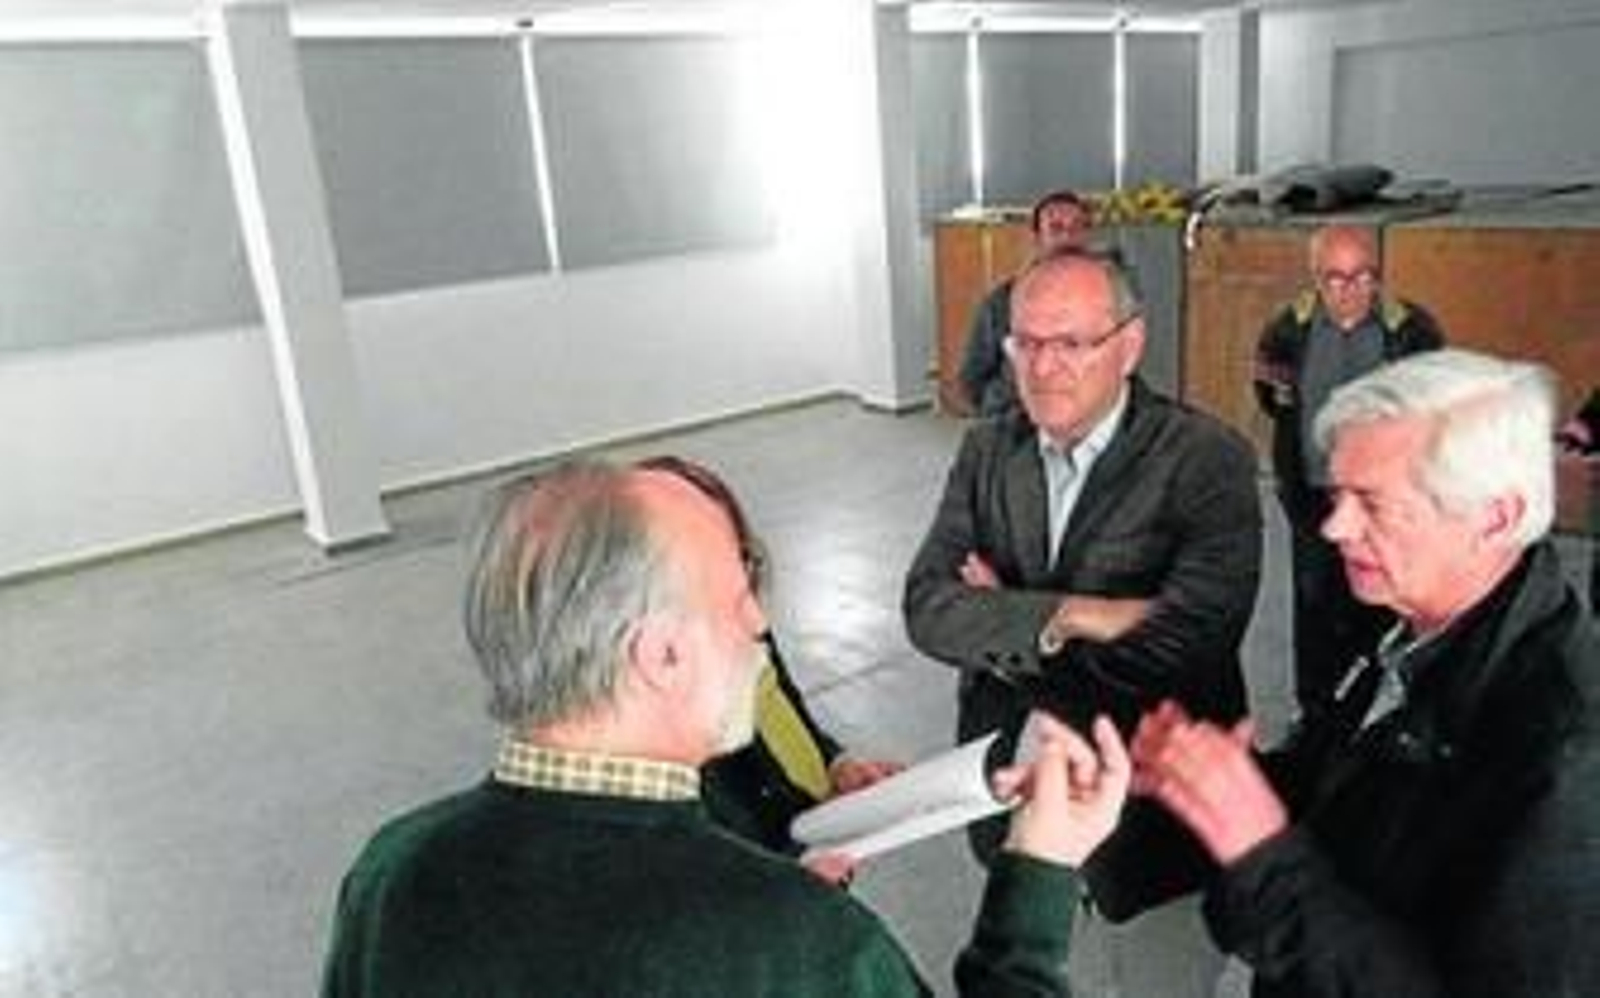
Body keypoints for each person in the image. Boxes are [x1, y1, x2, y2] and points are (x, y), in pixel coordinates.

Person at [322, 457, 1133, 997]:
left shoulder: (390, 873)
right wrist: (1040, 868)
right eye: (734, 592)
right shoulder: (805, 942)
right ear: (661, 655)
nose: (757, 618)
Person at [1134, 349, 1600, 998]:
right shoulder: (1409, 622)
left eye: (1372, 504)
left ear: (1494, 515)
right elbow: (1341, 788)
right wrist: (1186, 785)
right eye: (1336, 495)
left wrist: (1262, 856)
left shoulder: (1565, 754)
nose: (1334, 526)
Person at [904, 247, 1263, 991]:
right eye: (1025, 343)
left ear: (1130, 345)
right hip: (1014, 795)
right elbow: (927, 608)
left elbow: (1192, 642)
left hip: (1151, 816)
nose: (1042, 367)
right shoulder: (986, 449)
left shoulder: (1206, 459)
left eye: (1071, 343)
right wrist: (1075, 613)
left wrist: (1000, 614)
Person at [635, 454, 902, 859]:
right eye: (712, 573)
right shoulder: (661, 732)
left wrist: (835, 766)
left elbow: (781, 704)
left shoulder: (738, 613)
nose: (757, 623)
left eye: (743, 561)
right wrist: (795, 864)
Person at [1254, 224, 1446, 721]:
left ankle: (1379, 708)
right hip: (1314, 494)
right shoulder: (1286, 329)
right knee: (1315, 601)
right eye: (1337, 279)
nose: (1352, 290)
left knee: (1383, 599)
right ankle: (1315, 712)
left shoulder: (1412, 330)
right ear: (1316, 278)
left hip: (1388, 499)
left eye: (1364, 277)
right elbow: (1272, 397)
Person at [959, 189, 1094, 416]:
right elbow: (973, 379)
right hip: (1019, 425)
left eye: (1077, 227)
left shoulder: (1108, 300)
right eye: (1056, 228)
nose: (1068, 238)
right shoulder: (1002, 302)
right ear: (1038, 238)